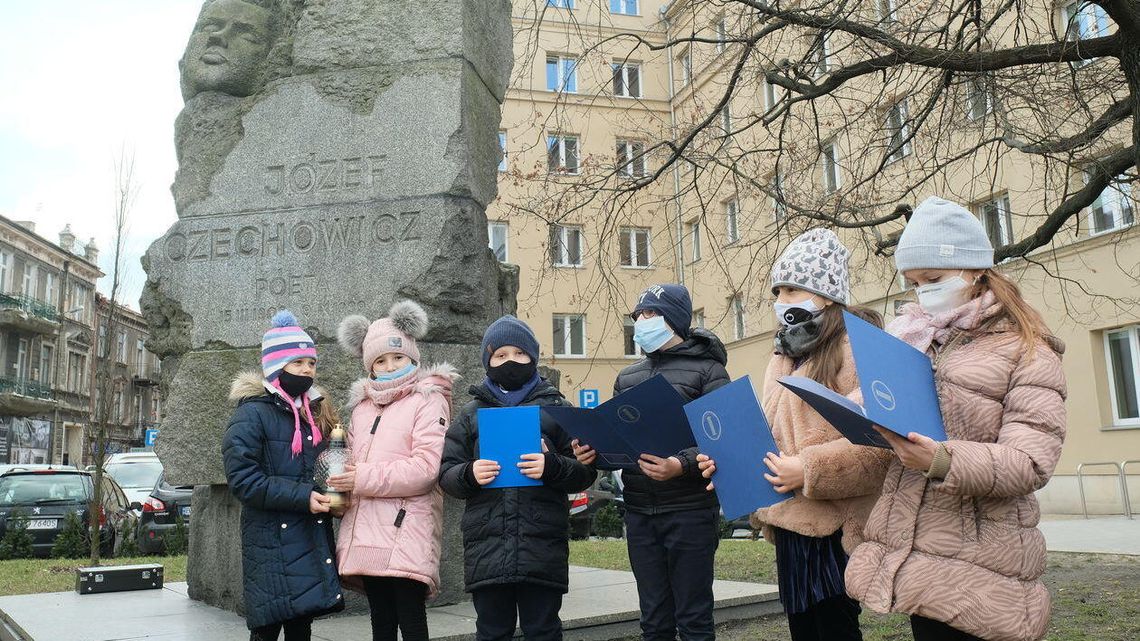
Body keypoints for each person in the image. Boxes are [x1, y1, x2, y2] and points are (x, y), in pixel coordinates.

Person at [844, 197, 1067, 641]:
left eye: (934, 278)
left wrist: (941, 460)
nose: (924, 292)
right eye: (914, 283)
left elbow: (1030, 462)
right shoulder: (914, 339)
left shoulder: (1028, 351)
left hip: (984, 558)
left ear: (976, 270)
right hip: (918, 555)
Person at [696, 229, 892, 641]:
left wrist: (809, 469)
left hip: (833, 527)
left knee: (834, 628)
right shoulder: (783, 354)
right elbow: (768, 436)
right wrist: (727, 462)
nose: (782, 299)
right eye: (779, 290)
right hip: (790, 525)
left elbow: (879, 442)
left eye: (793, 289)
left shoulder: (856, 347)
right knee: (803, 629)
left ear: (827, 295)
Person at [575, 284, 729, 641]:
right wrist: (592, 453)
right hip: (640, 513)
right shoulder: (627, 377)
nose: (641, 321)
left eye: (651, 313)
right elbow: (617, 436)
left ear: (674, 318)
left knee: (694, 619)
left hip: (690, 511)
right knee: (654, 620)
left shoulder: (709, 371)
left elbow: (722, 439)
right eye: (638, 314)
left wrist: (680, 464)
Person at [439, 315, 595, 641]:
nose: (511, 361)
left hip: (542, 545)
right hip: (487, 546)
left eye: (520, 353)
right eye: (501, 355)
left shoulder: (558, 408)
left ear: (533, 357)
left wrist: (552, 466)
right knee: (492, 631)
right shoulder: (470, 414)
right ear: (488, 361)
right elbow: (446, 474)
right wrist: (469, 473)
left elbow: (584, 472)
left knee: (543, 630)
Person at [333, 300, 458, 641]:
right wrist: (340, 483)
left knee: (411, 618)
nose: (390, 366)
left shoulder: (428, 399)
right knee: (381, 620)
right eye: (380, 360)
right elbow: (352, 461)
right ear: (370, 366)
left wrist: (360, 478)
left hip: (406, 528)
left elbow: (426, 468)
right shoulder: (362, 407)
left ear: (412, 356)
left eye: (397, 357)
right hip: (366, 527)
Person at [222, 310, 344, 641]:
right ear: (277, 367)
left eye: (311, 363)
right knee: (267, 627)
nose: (307, 370)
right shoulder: (251, 414)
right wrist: (303, 497)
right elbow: (244, 480)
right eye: (297, 363)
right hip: (270, 541)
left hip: (306, 534)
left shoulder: (312, 413)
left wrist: (335, 489)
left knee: (301, 624)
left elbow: (320, 468)